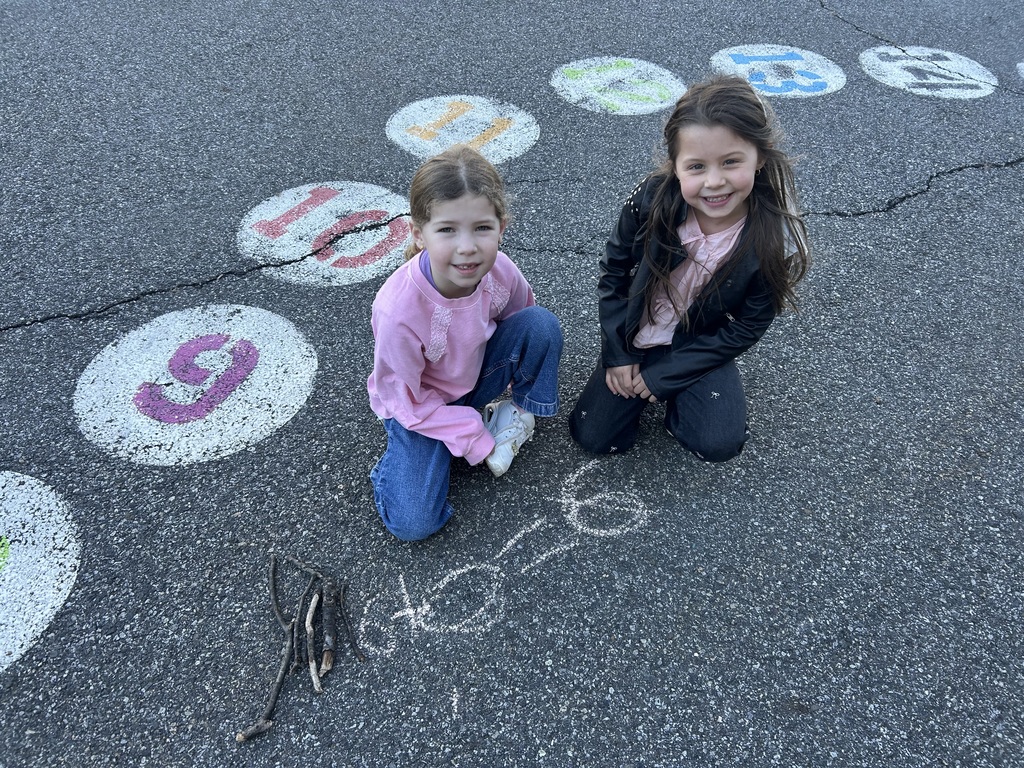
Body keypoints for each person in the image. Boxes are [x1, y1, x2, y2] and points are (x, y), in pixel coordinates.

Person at [569, 74, 810, 460]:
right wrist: (619, 354)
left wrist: (667, 376)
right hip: (637, 334)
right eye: (696, 166)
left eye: (731, 162)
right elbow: (613, 273)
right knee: (596, 438)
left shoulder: (771, 238)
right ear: (676, 166)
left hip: (697, 343)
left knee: (716, 444)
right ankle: (645, 377)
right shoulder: (649, 200)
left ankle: (680, 397)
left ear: (760, 157)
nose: (714, 182)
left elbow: (748, 325)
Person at [368, 145, 563, 541]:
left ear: (501, 227)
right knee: (414, 523)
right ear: (418, 234)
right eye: (447, 230)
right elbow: (403, 397)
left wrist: (509, 385)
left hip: (475, 378)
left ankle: (515, 412)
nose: (467, 247)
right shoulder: (398, 311)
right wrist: (471, 435)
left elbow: (524, 323)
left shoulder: (500, 270)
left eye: (482, 228)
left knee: (541, 324)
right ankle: (396, 464)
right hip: (421, 407)